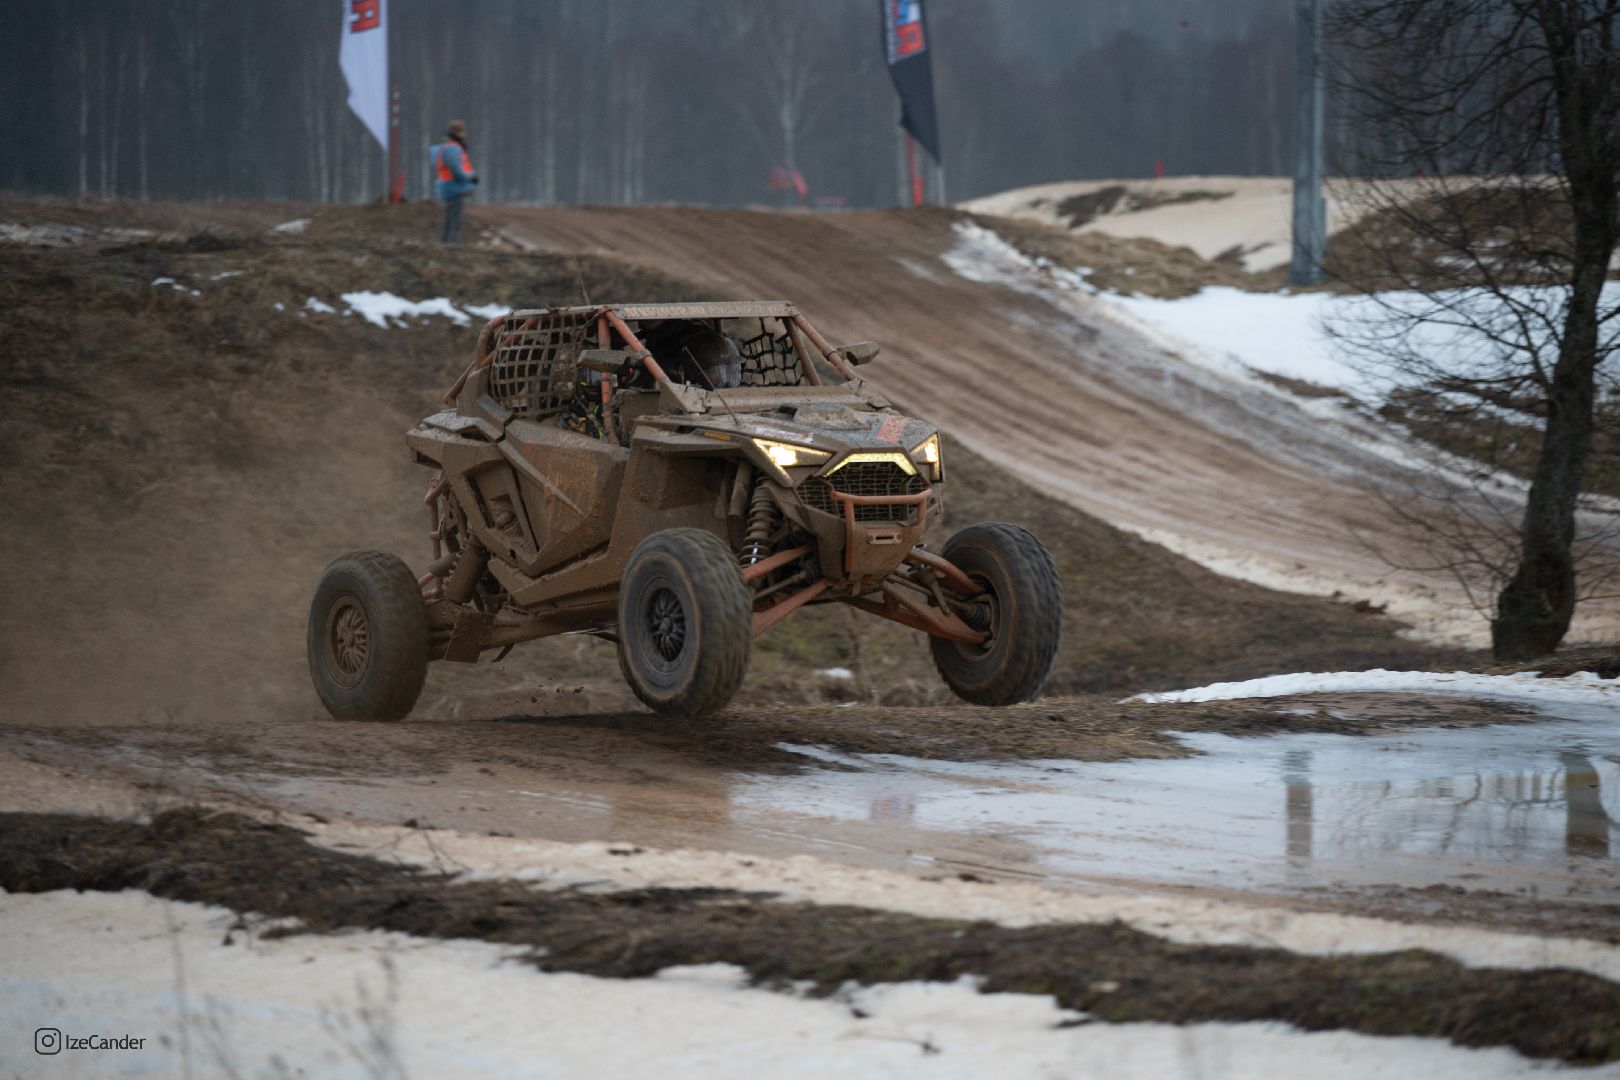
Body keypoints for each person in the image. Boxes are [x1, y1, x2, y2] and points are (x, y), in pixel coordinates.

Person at [430, 120, 478, 243]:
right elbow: (456, 170)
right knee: (455, 218)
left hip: (446, 185)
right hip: (453, 186)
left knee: (450, 216)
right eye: (463, 132)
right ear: (459, 132)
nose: (465, 135)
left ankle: (446, 242)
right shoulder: (453, 148)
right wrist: (470, 177)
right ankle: (453, 244)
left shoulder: (442, 146)